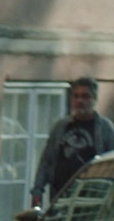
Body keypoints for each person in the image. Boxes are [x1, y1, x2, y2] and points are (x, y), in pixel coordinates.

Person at [31, 77, 114, 210]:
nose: (80, 101)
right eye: (76, 96)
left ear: (94, 99)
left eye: (85, 96)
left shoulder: (105, 129)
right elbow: (46, 161)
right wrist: (37, 190)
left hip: (92, 201)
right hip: (60, 198)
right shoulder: (60, 127)